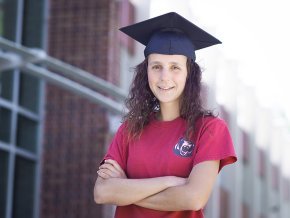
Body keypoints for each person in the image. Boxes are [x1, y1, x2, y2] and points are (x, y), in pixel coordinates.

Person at [94, 12, 237, 218]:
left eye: (175, 67)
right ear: (146, 72)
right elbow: (102, 192)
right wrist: (169, 182)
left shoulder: (210, 128)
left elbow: (193, 198)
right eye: (156, 67)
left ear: (190, 74)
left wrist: (125, 189)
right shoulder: (130, 129)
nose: (164, 77)